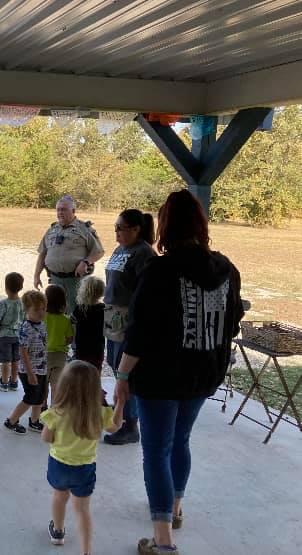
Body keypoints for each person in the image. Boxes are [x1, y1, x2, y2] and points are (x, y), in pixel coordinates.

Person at [113, 190, 244, 555]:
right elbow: (232, 323)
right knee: (180, 441)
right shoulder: (227, 270)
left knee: (156, 450)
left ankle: (163, 541)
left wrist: (122, 377)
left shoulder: (161, 270)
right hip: (202, 375)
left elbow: (139, 332)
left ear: (166, 226)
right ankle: (174, 509)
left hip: (159, 378)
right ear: (201, 225)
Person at [41, 361, 124, 554]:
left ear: (64, 386)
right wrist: (119, 404)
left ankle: (58, 532)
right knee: (82, 509)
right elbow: (115, 426)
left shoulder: (56, 412)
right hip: (85, 468)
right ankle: (86, 551)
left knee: (59, 497)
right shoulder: (99, 413)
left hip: (59, 464)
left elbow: (46, 437)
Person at [103, 208, 156, 446]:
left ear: (136, 229)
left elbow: (145, 293)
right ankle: (122, 410)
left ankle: (130, 424)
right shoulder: (121, 249)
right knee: (115, 364)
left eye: (120, 228)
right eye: (115, 228)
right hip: (113, 317)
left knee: (127, 373)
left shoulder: (144, 254)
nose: (116, 233)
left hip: (129, 320)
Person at [33, 195, 104, 314]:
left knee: (77, 312)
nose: (60, 212)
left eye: (64, 209)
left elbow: (99, 251)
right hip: (55, 279)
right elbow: (42, 254)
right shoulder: (52, 230)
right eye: (58, 209)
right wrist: (36, 276)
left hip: (75, 280)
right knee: (54, 312)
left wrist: (85, 262)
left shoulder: (84, 229)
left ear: (73, 211)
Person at [4, 290, 47, 435]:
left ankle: (34, 421)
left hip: (42, 368)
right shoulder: (26, 328)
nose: (41, 312)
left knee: (40, 396)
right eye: (36, 309)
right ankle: (11, 420)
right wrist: (30, 373)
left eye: (43, 308)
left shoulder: (42, 324)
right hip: (29, 370)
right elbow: (23, 352)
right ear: (27, 310)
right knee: (30, 397)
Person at [45, 284, 74, 409]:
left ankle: (42, 408)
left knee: (43, 384)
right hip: (60, 356)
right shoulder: (66, 320)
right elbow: (69, 339)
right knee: (56, 384)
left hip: (44, 354)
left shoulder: (42, 318)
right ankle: (54, 409)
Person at [0, 272, 25, 392]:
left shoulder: (2, 304)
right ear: (21, 287)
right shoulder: (23, 303)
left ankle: (4, 382)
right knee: (15, 359)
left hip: (4, 335)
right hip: (18, 335)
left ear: (6, 288)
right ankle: (14, 381)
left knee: (5, 360)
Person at [72, 276, 106, 371]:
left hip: (81, 347)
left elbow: (72, 324)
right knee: (96, 370)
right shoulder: (103, 309)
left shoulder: (79, 309)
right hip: (97, 348)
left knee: (82, 371)